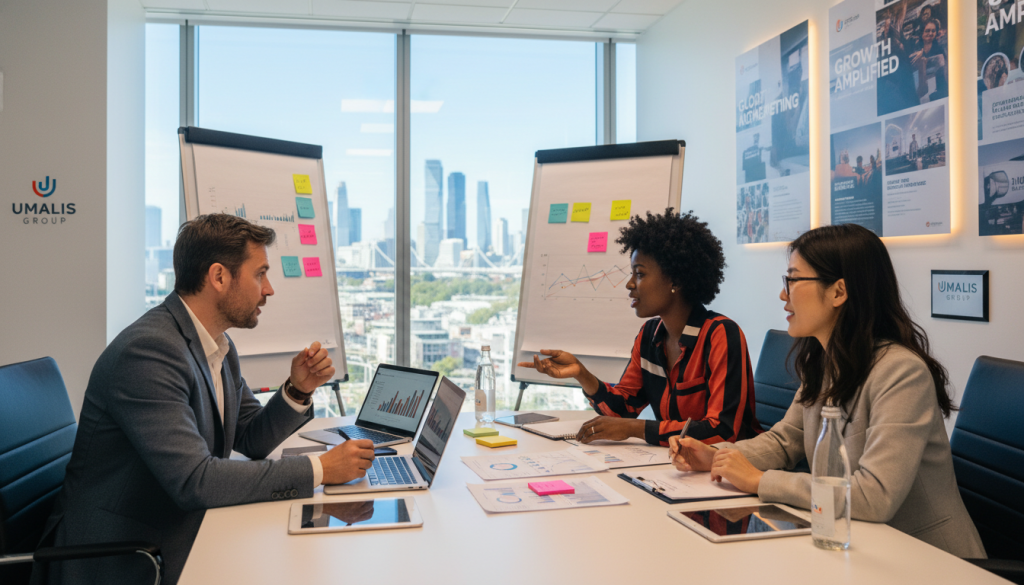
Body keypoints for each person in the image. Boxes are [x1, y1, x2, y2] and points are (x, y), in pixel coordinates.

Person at [37, 214, 377, 585]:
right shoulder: (148, 352)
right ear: (219, 277)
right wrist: (322, 469)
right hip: (119, 557)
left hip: (171, 526)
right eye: (260, 274)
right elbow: (195, 480)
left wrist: (298, 389)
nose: (269, 290)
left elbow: (250, 437)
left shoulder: (216, 346)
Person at [668, 224, 986, 558]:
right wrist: (716, 457)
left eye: (792, 280)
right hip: (856, 544)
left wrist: (760, 480)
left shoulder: (901, 372)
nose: (783, 294)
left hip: (929, 560)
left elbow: (874, 496)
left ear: (838, 292)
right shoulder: (825, 360)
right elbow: (785, 440)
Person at [518, 209, 761, 447]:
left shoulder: (721, 335)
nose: (629, 284)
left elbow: (723, 431)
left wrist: (636, 429)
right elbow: (621, 411)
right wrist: (581, 374)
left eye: (640, 274)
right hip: (678, 468)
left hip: (731, 474)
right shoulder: (649, 336)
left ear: (675, 280)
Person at [910, 19, 948, 101]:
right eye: (927, 31)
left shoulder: (939, 49)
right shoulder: (914, 49)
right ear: (922, 33)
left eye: (933, 31)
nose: (930, 33)